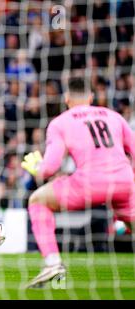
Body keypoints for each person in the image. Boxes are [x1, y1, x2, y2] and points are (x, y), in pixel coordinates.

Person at [21, 77, 135, 288]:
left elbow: (49, 168)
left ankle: (53, 263)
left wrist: (37, 168)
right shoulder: (114, 116)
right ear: (91, 97)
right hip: (124, 182)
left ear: (66, 98)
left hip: (89, 184)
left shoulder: (60, 122)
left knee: (37, 200)